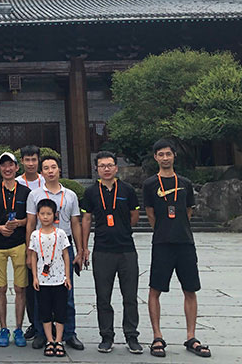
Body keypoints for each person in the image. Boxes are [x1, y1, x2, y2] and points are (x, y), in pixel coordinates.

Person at [143, 139, 211, 358]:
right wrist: (164, 231)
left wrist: (178, 228)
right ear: (155, 157)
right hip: (162, 243)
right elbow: (150, 214)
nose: (165, 158)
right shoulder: (150, 184)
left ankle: (191, 336)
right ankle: (157, 336)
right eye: (161, 154)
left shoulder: (185, 183)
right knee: (155, 289)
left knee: (190, 289)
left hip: (185, 243)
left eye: (168, 154)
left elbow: (188, 211)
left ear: (174, 156)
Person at [80, 151, 142, 355]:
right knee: (103, 297)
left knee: (130, 296)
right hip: (102, 250)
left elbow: (134, 215)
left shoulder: (127, 189)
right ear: (96, 169)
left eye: (109, 165)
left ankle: (131, 335)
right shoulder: (91, 192)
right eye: (102, 166)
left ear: (116, 167)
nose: (106, 169)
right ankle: (106, 336)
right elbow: (86, 219)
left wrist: (121, 229)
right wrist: (84, 247)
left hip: (126, 250)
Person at [25, 155, 84, 352]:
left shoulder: (70, 195)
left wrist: (80, 250)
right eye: (46, 168)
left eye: (53, 167)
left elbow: (75, 223)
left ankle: (69, 333)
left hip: (63, 246)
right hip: (41, 246)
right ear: (41, 172)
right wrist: (29, 252)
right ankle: (42, 334)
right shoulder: (34, 195)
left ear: (59, 170)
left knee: (66, 291)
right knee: (40, 293)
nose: (50, 171)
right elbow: (31, 224)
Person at [0, 151, 30, 348]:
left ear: (16, 167)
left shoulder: (25, 192)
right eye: (3, 165)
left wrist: (19, 222)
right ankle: (3, 328)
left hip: (19, 244)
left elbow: (32, 218)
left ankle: (18, 328)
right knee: (1, 288)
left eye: (10, 165)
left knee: (20, 288)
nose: (7, 168)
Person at [28, 199, 71, 358]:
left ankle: (59, 340)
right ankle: (49, 340)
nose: (45, 217)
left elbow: (66, 255)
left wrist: (67, 276)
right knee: (45, 311)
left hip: (59, 279)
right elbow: (33, 256)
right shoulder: (35, 235)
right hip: (43, 280)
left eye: (49, 214)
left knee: (60, 310)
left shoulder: (60, 234)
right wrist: (35, 277)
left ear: (55, 215)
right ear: (38, 215)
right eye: (42, 214)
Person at [16, 144, 44, 341]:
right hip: (27, 240)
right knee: (30, 286)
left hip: (49, 239)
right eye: (27, 160)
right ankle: (34, 323)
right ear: (22, 162)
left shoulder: (46, 180)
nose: (31, 163)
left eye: (34, 159)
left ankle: (51, 323)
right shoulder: (18, 183)